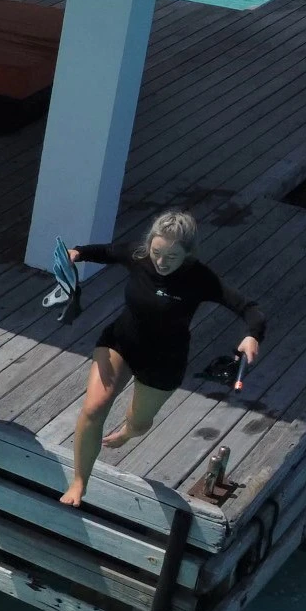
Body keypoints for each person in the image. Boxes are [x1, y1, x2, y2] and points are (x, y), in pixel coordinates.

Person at [59, 211, 266, 507]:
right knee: (93, 408)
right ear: (149, 246)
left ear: (188, 254)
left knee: (140, 422)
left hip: (164, 359)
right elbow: (105, 252)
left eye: (172, 256)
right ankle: (79, 483)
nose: (161, 261)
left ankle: (129, 431)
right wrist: (77, 253)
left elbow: (248, 308)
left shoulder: (200, 278)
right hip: (121, 342)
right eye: (157, 252)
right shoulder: (138, 254)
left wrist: (253, 335)